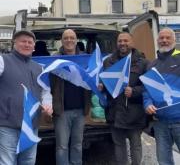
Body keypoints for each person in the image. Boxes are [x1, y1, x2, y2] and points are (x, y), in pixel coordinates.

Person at [0, 30, 53, 165]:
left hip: (31, 127)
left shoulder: (39, 68)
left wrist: (48, 106)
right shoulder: (2, 60)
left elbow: (45, 92)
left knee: (28, 161)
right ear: (14, 43)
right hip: (7, 126)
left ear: (34, 46)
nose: (27, 44)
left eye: (30, 42)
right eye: (23, 41)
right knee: (7, 162)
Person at [99, 32, 148, 165]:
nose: (123, 43)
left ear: (132, 43)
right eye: (120, 41)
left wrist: (135, 91)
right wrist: (101, 86)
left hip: (134, 113)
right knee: (119, 145)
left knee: (136, 145)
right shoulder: (108, 61)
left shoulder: (143, 62)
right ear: (117, 43)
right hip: (115, 112)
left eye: (126, 41)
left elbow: (149, 87)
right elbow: (104, 81)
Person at [50, 29, 91, 165]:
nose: (69, 40)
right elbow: (46, 84)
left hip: (80, 110)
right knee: (62, 146)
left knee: (77, 145)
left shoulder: (86, 59)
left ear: (76, 40)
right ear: (61, 41)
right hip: (61, 111)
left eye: (72, 38)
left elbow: (92, 80)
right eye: (66, 38)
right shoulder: (54, 60)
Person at [143, 28, 180, 165]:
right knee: (164, 161)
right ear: (157, 41)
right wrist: (147, 104)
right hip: (160, 122)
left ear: (174, 40)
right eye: (161, 38)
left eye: (168, 38)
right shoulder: (152, 65)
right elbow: (146, 90)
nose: (164, 40)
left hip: (179, 121)